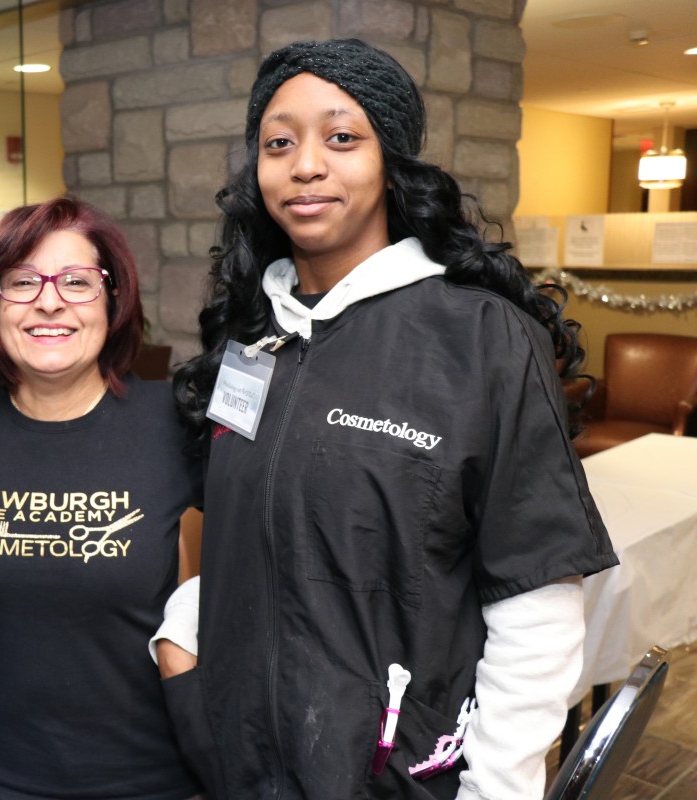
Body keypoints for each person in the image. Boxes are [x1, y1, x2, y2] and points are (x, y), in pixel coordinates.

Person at [160, 39, 617, 799]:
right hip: (235, 764)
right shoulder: (249, 340)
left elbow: (535, 601)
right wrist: (183, 638)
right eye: (279, 143)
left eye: (342, 137)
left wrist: (497, 790)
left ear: (392, 162)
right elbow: (237, 527)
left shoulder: (481, 340)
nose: (306, 165)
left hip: (397, 775)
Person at [0, 197, 203, 800]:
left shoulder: (172, 421)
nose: (50, 300)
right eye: (23, 281)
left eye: (78, 282)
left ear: (113, 301)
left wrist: (188, 627)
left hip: (155, 781)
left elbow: (276, 535)